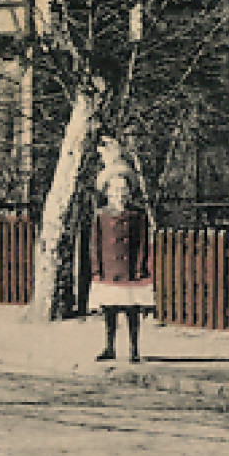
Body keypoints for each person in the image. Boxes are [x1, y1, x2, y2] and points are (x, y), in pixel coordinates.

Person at [88, 137, 154, 362]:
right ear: (107, 193)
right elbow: (94, 245)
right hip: (109, 270)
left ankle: (134, 349)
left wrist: (143, 268)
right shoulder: (102, 215)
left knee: (132, 310)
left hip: (131, 270)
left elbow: (144, 243)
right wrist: (96, 269)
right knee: (110, 310)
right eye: (115, 190)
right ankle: (109, 347)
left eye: (123, 190)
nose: (120, 194)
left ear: (129, 193)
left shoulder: (137, 216)